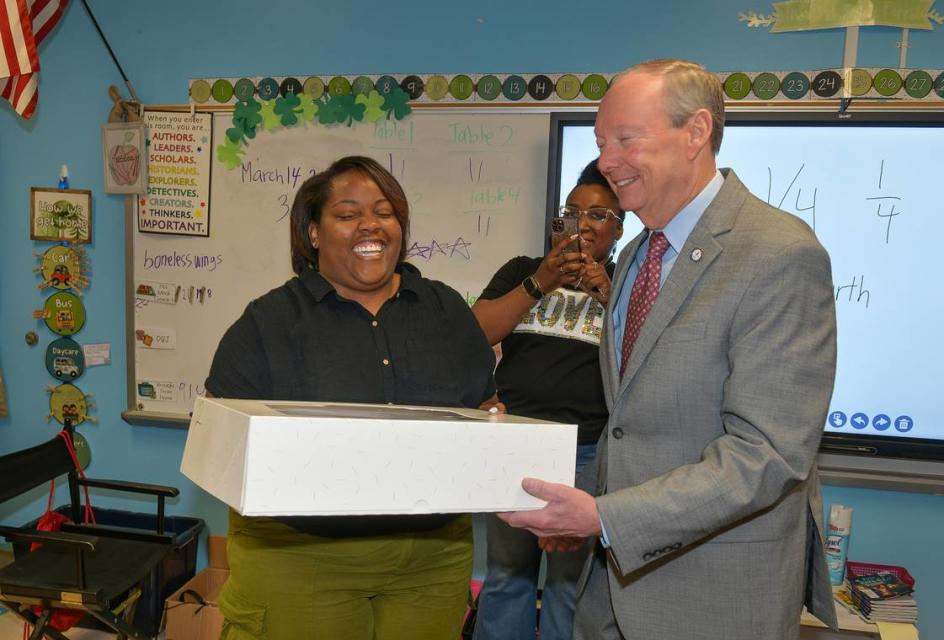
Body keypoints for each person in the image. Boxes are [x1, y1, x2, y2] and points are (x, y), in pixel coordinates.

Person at [499, 59, 840, 640]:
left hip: (714, 598)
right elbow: (629, 424)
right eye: (602, 142)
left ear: (696, 132)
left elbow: (767, 455)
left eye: (627, 139)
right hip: (609, 591)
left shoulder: (779, 254)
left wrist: (605, 519)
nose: (607, 161)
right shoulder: (635, 256)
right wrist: (581, 510)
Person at [205, 155, 496, 640]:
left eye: (385, 212)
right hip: (299, 557)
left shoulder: (445, 310)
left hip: (431, 557)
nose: (371, 226)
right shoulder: (267, 322)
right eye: (347, 214)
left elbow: (483, 405)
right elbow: (220, 444)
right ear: (313, 232)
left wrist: (495, 428)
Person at [470, 160, 623, 640]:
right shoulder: (523, 270)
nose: (582, 225)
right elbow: (473, 335)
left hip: (588, 450)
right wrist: (541, 280)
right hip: (516, 445)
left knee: (568, 585)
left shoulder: (628, 286)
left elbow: (650, 357)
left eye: (598, 215)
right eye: (572, 212)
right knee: (507, 575)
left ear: (619, 228)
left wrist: (607, 295)